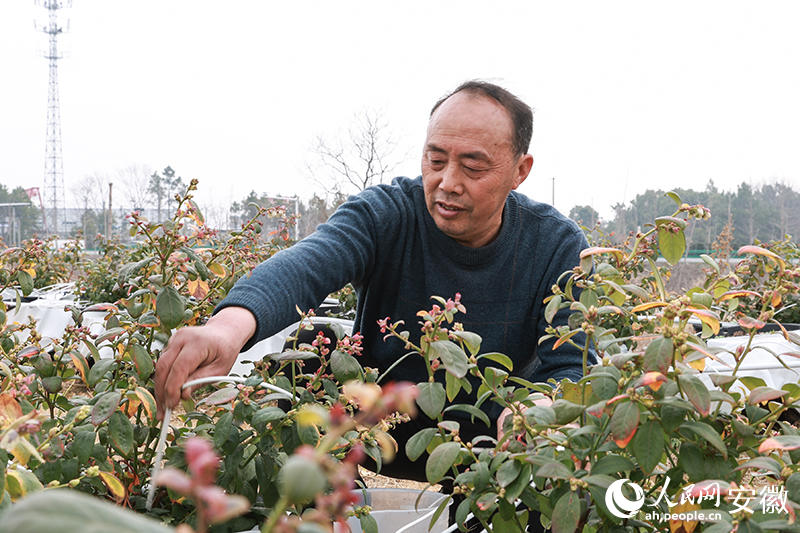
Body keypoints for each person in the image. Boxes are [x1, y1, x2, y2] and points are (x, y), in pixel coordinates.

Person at [155, 80, 593, 481]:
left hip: (490, 440)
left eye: (473, 168)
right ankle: (322, 507)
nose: (447, 183)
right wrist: (226, 330)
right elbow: (307, 265)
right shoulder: (388, 213)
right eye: (435, 160)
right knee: (306, 352)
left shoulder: (555, 244)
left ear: (520, 170)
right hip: (376, 425)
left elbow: (572, 363)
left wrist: (539, 412)